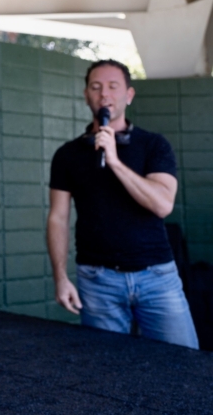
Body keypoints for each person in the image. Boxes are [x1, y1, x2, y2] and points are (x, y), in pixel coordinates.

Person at [47, 59, 199, 349]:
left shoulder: (154, 145)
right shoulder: (67, 154)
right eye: (96, 87)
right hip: (97, 279)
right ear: (86, 95)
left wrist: (114, 161)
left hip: (157, 276)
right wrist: (60, 277)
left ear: (128, 95)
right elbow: (57, 218)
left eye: (113, 87)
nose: (104, 94)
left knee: (184, 366)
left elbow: (162, 205)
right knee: (107, 375)